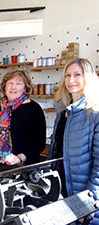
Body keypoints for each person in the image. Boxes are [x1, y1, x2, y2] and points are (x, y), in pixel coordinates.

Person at [47, 58, 99, 224]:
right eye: (67, 75)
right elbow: (55, 152)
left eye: (77, 75)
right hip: (60, 191)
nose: (71, 80)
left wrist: (89, 203)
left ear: (88, 78)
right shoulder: (63, 113)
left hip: (84, 196)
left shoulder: (95, 114)